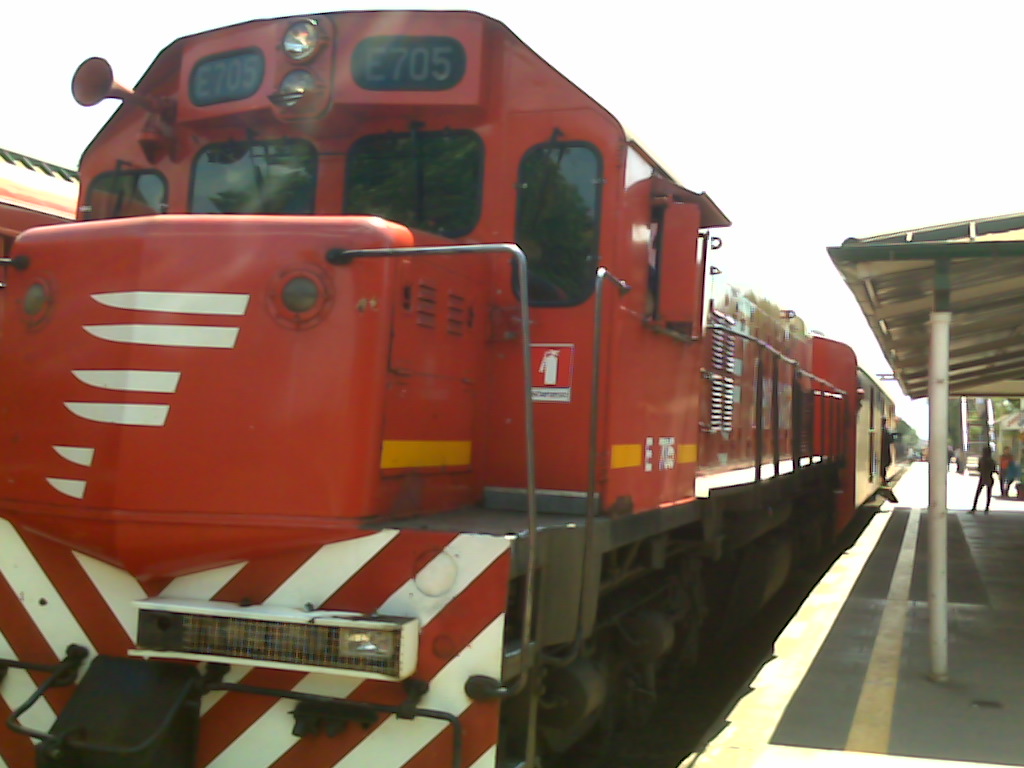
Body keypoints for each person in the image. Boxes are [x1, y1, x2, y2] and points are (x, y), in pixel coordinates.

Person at [971, 445, 997, 514]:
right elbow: (994, 470)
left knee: (978, 493)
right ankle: (986, 508)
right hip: (990, 477)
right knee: (988, 494)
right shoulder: (992, 461)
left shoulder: (981, 460)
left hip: (982, 477)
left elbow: (979, 469)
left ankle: (974, 508)